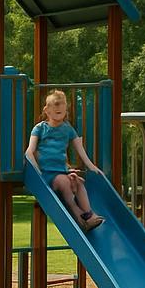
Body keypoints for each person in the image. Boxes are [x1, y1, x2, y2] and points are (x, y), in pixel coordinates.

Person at [26, 88, 105, 230]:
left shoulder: (67, 129)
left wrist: (92, 166)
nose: (60, 114)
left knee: (79, 181)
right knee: (64, 182)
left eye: (62, 112)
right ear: (47, 110)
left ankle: (89, 214)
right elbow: (29, 152)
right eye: (56, 111)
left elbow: (80, 150)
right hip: (47, 175)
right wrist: (37, 173)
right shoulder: (40, 128)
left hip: (62, 172)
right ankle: (81, 218)